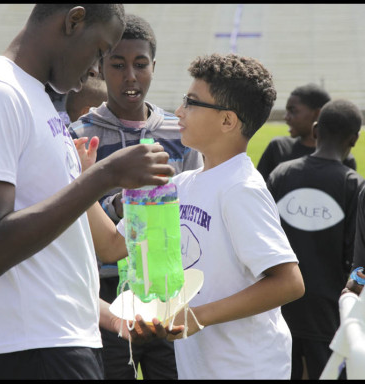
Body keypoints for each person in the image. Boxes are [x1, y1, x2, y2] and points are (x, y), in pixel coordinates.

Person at [0, 4, 183, 380]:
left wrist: (115, 316)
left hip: (68, 339)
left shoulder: (39, 101)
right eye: (101, 51)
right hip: (29, 347)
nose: (97, 69)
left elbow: (98, 246)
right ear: (74, 21)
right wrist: (104, 175)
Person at [76, 52, 305, 379]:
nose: (179, 111)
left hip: (248, 367)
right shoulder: (180, 185)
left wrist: (197, 316)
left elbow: (289, 283)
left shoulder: (241, 188)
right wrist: (85, 180)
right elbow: (113, 246)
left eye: (193, 103)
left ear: (227, 121)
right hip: (200, 368)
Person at [69, 14, 203, 380]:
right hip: (106, 292)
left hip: (169, 289)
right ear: (99, 68)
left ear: (153, 67)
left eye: (140, 64)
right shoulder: (78, 134)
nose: (130, 75)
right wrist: (119, 202)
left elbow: (194, 206)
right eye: (117, 64)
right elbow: (71, 214)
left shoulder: (180, 131)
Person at [266, 99, 365, 380]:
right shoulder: (353, 185)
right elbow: (356, 258)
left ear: (315, 129)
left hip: (279, 309)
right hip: (330, 315)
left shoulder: (281, 174)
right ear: (355, 139)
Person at [257, 83, 357, 181]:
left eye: (292, 110)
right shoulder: (279, 148)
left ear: (318, 114)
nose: (286, 117)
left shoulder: (343, 158)